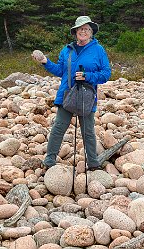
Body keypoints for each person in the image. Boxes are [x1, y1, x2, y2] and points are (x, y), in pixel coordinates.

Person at [32, 15, 111, 171]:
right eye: (81, 29)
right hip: (66, 95)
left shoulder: (98, 50)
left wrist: (88, 76)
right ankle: (49, 161)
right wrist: (45, 62)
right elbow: (60, 70)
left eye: (87, 29)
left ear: (91, 32)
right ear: (75, 31)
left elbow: (106, 74)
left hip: (87, 96)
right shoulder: (66, 50)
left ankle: (93, 164)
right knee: (58, 128)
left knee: (88, 132)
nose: (84, 31)